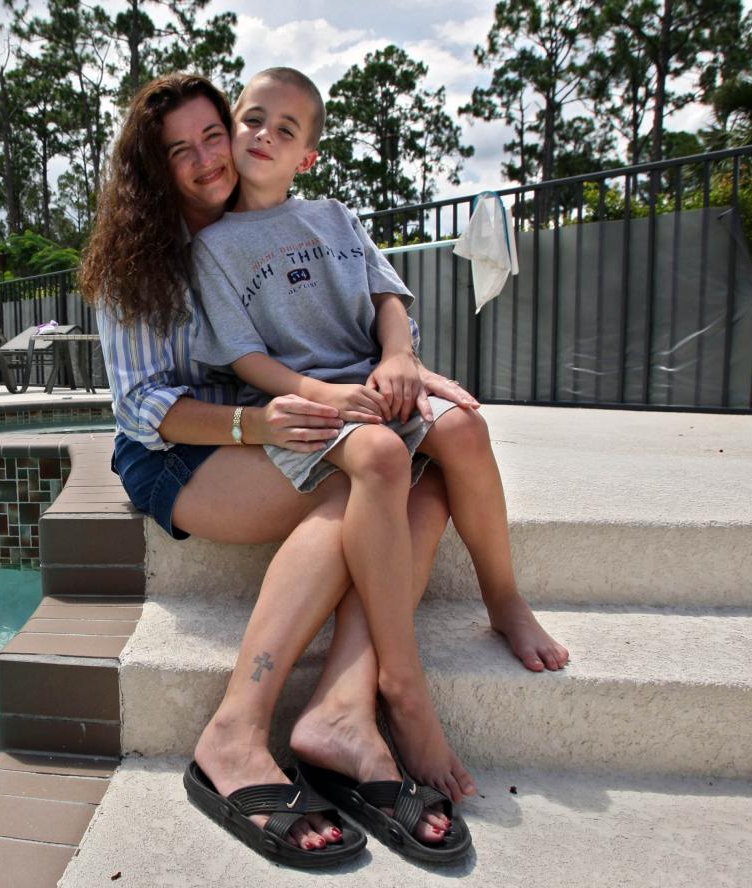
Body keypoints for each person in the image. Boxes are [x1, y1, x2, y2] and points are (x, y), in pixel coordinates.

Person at [80, 73, 476, 867]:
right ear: (152, 168)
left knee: (420, 484)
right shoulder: (137, 264)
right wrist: (250, 422)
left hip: (273, 428)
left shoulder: (259, 221)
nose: (204, 160)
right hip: (180, 450)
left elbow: (350, 301)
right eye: (178, 150)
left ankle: (343, 711)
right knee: (367, 481)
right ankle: (235, 732)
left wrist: (402, 363)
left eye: (212, 135)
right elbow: (138, 409)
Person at [187, 66, 569, 820]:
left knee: (464, 428)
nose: (264, 135)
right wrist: (329, 395)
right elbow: (244, 361)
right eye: (253, 119)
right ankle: (400, 683)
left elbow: (389, 300)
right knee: (383, 457)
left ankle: (504, 598)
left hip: (376, 380)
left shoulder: (333, 215)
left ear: (308, 157)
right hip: (304, 403)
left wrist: (400, 361)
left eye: (286, 129)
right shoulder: (214, 246)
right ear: (232, 127)